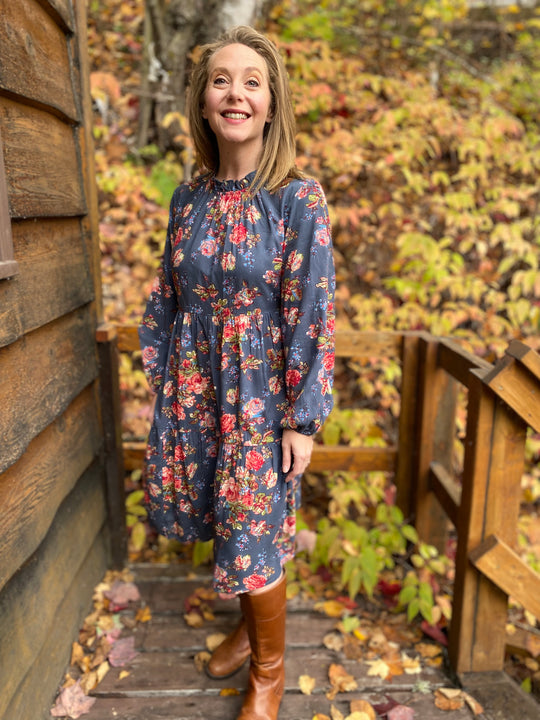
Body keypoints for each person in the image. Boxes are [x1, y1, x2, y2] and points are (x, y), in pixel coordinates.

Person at [139, 25, 335, 720]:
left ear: (272, 103)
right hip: (196, 391)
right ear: (202, 102)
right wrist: (160, 381)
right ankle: (246, 632)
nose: (236, 93)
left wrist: (302, 419)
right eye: (222, 79)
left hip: (260, 398)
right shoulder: (186, 200)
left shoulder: (296, 200)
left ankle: (271, 673)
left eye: (252, 81)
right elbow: (168, 293)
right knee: (226, 523)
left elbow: (313, 311)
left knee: (253, 528)